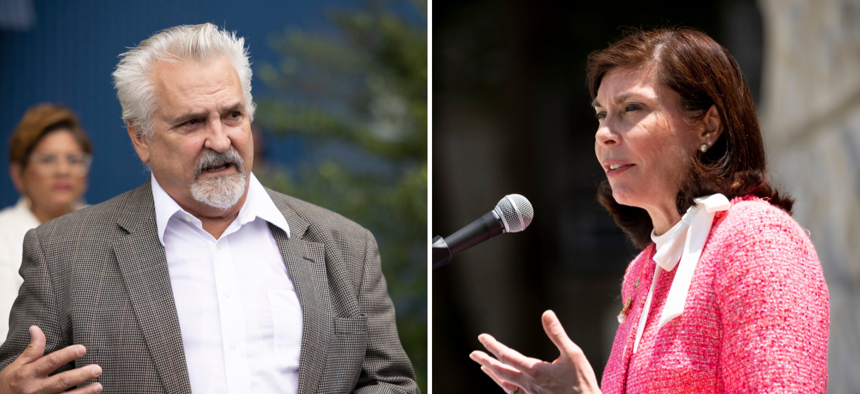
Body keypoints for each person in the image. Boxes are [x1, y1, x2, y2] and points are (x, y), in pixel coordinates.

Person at [0, 23, 418, 394]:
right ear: (140, 138)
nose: (220, 140)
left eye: (233, 115)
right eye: (192, 122)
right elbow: (18, 376)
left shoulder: (347, 246)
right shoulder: (64, 252)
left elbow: (391, 383)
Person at [470, 27, 829, 393]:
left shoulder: (757, 241)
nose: (604, 133)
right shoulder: (642, 272)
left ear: (708, 126)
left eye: (631, 108)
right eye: (601, 115)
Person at [0, 104, 93, 344]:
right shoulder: (3, 234)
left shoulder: (105, 229)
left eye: (74, 159)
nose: (63, 170)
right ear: (18, 173)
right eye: (47, 159)